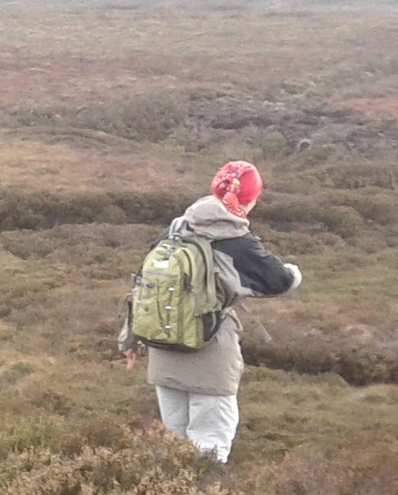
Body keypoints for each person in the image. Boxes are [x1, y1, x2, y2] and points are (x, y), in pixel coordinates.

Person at [120, 160, 301, 463]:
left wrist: (129, 340)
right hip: (209, 351)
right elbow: (279, 280)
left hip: (163, 351)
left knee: (173, 441)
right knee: (210, 445)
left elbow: (143, 287)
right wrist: (294, 272)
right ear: (252, 198)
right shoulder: (237, 241)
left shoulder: (174, 230)